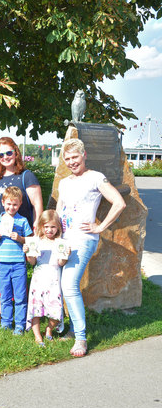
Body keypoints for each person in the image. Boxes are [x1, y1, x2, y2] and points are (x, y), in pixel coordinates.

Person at [56, 138, 126, 357]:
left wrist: (100, 227)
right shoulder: (64, 183)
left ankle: (81, 339)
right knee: (62, 283)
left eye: (75, 157)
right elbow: (59, 211)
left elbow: (119, 202)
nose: (71, 162)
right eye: (67, 159)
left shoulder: (95, 177)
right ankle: (73, 327)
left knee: (69, 284)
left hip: (84, 239)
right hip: (65, 239)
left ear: (84, 155)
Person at [0, 137, 43, 322]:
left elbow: (37, 205)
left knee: (31, 271)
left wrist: (35, 234)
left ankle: (33, 312)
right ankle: (1, 311)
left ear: (16, 153)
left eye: (9, 152)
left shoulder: (26, 175)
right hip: (0, 235)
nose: (5, 157)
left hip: (23, 234)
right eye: (0, 154)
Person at [0, 186, 33, 335]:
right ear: (3, 202)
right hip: (2, 263)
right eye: (8, 204)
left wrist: (20, 238)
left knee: (20, 295)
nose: (11, 207)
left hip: (19, 263)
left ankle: (20, 325)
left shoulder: (23, 221)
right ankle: (6, 322)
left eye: (15, 204)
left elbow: (30, 240)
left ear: (20, 204)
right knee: (5, 295)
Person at [24, 210, 69, 347]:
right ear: (41, 226)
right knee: (36, 309)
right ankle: (38, 336)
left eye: (53, 227)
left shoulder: (60, 242)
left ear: (58, 228)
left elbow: (61, 263)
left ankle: (49, 330)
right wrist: (28, 253)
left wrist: (65, 255)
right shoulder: (36, 241)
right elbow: (32, 262)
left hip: (54, 279)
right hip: (39, 279)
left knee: (55, 309)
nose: (49, 230)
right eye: (46, 227)